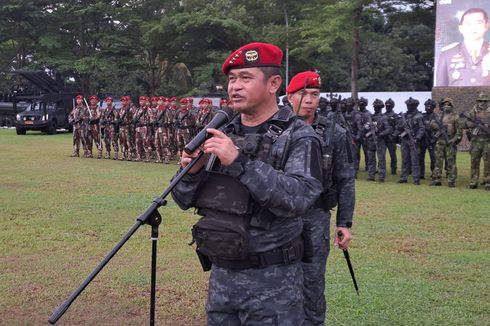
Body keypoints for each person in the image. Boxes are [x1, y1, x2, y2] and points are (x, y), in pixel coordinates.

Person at [171, 42, 323, 325]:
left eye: (246, 78)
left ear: (273, 83)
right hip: (222, 277)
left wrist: (239, 162)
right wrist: (190, 172)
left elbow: (299, 198)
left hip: (273, 283)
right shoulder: (220, 133)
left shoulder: (298, 137)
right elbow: (180, 198)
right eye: (231, 79)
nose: (234, 87)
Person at [287, 71, 355, 326]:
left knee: (312, 282)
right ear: (289, 96)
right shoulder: (276, 127)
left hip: (315, 215)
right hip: (279, 215)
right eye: (302, 94)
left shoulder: (334, 133)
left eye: (314, 95)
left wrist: (344, 223)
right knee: (275, 280)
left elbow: (345, 178)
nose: (309, 100)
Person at [436, 8, 490, 87]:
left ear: (486, 26)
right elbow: (441, 89)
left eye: (478, 23)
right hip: (457, 99)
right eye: (468, 23)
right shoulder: (447, 55)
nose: (473, 27)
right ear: (460, 28)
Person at [429, 98, 462, 187]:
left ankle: (451, 180)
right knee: (438, 161)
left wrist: (454, 140)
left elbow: (459, 132)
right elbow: (431, 124)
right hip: (440, 141)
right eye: (445, 104)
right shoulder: (439, 116)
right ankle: (436, 179)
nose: (446, 106)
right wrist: (435, 126)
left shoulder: (455, 117)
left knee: (451, 162)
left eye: (448, 104)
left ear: (452, 106)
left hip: (450, 141)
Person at [460, 93, 490, 190]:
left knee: (488, 163)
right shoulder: (472, 112)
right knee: (474, 162)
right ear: (477, 101)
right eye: (480, 101)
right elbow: (463, 124)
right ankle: (473, 181)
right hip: (475, 141)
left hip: (487, 141)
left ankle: (487, 182)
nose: (483, 103)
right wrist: (471, 124)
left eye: (485, 101)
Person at [395, 97, 425, 185]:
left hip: (414, 140)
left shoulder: (419, 116)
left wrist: (418, 138)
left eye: (410, 105)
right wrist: (401, 125)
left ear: (415, 106)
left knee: (415, 160)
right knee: (405, 159)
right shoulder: (404, 116)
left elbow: (422, 128)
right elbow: (398, 127)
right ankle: (404, 177)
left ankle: (416, 178)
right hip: (405, 140)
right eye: (408, 105)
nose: (408, 107)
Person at [370, 99, 393, 182]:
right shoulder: (371, 117)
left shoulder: (384, 118)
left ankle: (381, 176)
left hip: (380, 140)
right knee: (371, 159)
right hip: (370, 140)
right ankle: (371, 175)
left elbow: (388, 129)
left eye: (378, 107)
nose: (376, 108)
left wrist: (380, 134)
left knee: (381, 159)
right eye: (375, 107)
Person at [384, 98, 398, 175]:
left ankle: (393, 169)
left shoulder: (395, 116)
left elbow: (397, 127)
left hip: (391, 138)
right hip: (384, 138)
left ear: (392, 106)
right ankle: (382, 168)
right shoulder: (383, 115)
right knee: (381, 155)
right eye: (386, 106)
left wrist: (393, 135)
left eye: (389, 106)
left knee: (393, 155)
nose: (387, 107)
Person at [118, 95, 133, 161]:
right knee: (122, 141)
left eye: (124, 101)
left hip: (127, 127)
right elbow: (118, 117)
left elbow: (132, 119)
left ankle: (129, 154)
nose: (123, 102)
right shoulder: (121, 109)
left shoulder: (130, 109)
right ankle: (123, 154)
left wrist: (127, 122)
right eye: (122, 101)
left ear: (127, 101)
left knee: (128, 141)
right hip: (121, 127)